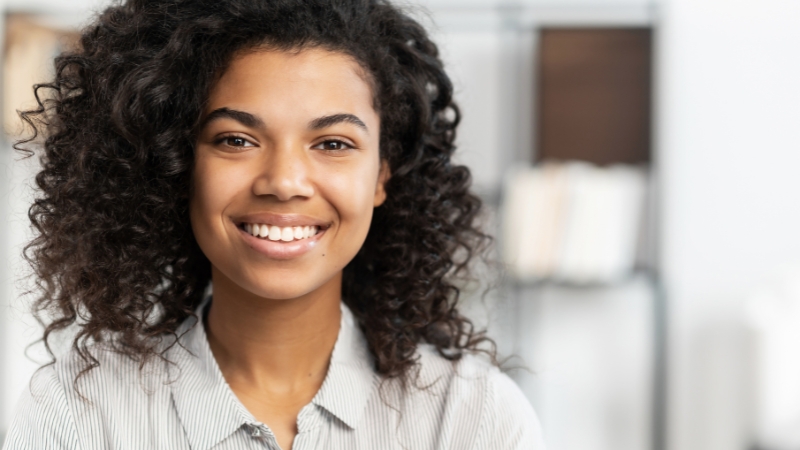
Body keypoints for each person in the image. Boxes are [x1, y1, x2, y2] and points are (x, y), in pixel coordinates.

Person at [3, 0, 544, 449]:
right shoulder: (79, 416)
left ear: (382, 175)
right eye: (236, 140)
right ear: (178, 164)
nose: (284, 181)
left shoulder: (473, 419)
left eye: (333, 144)